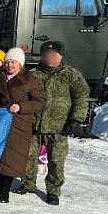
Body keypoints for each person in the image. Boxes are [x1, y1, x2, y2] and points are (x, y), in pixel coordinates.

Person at [13, 41, 90, 205]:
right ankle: (27, 184)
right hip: (33, 124)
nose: (49, 57)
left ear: (61, 56)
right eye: (46, 54)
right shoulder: (33, 74)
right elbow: (21, 95)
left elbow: (81, 97)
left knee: (56, 160)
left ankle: (53, 191)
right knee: (29, 156)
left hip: (58, 127)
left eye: (53, 54)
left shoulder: (71, 75)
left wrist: (76, 119)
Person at [0, 48, 46, 204]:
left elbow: (41, 102)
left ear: (20, 64)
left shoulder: (29, 79)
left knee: (12, 157)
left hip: (19, 124)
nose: (10, 65)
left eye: (14, 62)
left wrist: (21, 106)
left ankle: (4, 191)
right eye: (8, 62)